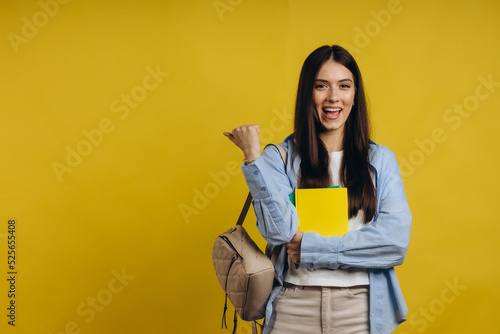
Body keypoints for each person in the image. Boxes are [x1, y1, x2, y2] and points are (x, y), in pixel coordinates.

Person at [223, 45, 411, 334]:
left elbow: (395, 243)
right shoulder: (279, 158)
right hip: (293, 306)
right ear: (307, 94)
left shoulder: (380, 159)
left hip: (360, 308)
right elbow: (279, 232)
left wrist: (312, 248)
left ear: (354, 95)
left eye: (344, 86)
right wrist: (252, 159)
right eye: (321, 86)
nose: (333, 97)